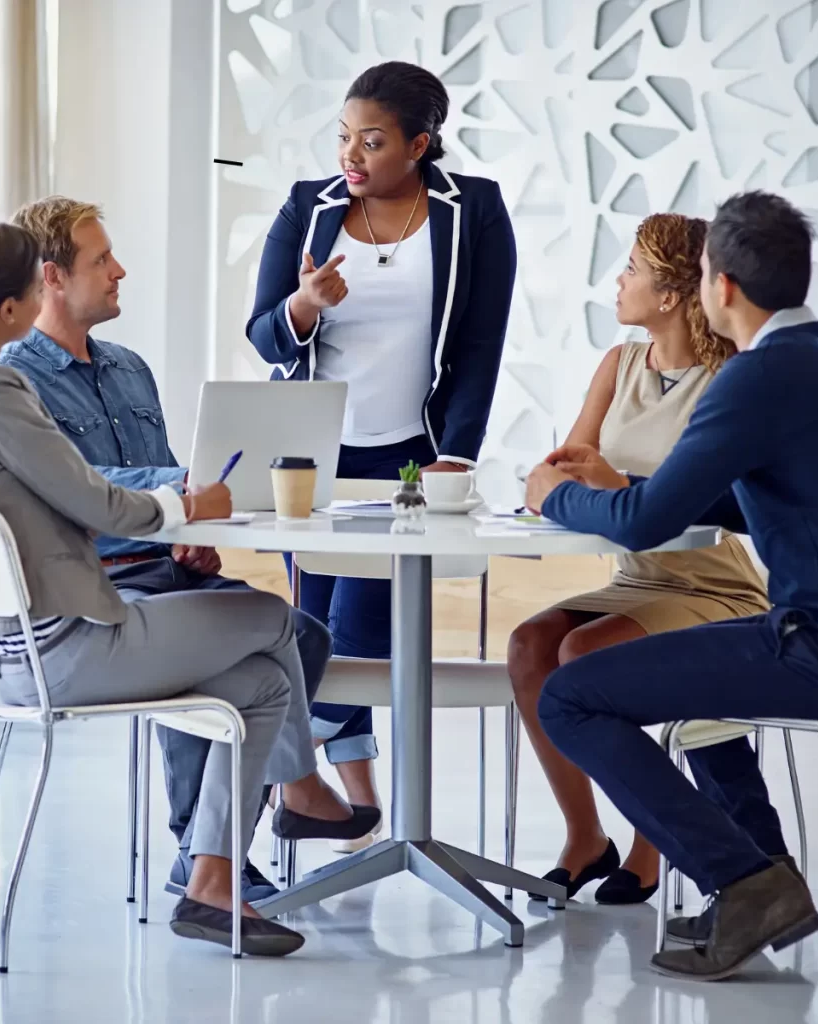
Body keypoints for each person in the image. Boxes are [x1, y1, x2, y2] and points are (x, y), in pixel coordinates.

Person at [0, 221, 379, 956]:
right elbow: (94, 501)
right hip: (68, 645)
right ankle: (295, 792)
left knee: (260, 684)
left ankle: (211, 880)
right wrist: (188, 506)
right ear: (13, 306)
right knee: (274, 618)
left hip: (4, 652)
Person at [523, 191, 818, 982]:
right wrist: (629, 487)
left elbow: (644, 524)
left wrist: (552, 495)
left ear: (720, 286)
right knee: (685, 667)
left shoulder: (758, 377)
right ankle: (762, 871)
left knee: (571, 696)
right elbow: (777, 495)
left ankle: (747, 882)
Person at [0, 196, 332, 902]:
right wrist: (176, 490)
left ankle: (213, 854)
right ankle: (211, 843)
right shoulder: (15, 381)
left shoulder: (130, 369)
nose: (121, 270)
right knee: (237, 645)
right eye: (101, 259)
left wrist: (191, 538)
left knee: (302, 635)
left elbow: (172, 482)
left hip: (158, 567)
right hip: (93, 587)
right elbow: (75, 488)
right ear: (52, 277)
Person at [247, 60, 517, 845]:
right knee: (311, 629)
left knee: (362, 634)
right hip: (308, 459)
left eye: (372, 141)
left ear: (420, 145)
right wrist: (303, 305)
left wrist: (458, 457)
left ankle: (282, 772)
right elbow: (263, 332)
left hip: (407, 459)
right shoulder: (309, 209)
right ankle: (345, 807)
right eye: (343, 137)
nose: (351, 156)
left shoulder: (476, 213)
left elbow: (478, 346)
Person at [508, 213, 771, 906]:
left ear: (669, 296)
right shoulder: (619, 364)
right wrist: (567, 479)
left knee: (587, 653)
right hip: (636, 578)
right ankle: (583, 836)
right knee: (531, 644)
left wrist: (613, 486)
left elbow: (701, 500)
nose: (616, 282)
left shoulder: (731, 380)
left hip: (712, 587)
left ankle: (653, 842)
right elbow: (562, 470)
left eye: (630, 269)